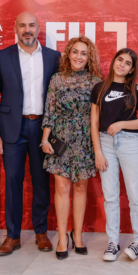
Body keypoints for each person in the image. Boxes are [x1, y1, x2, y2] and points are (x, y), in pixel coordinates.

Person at [0, 11, 61, 256]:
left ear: (38, 28)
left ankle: (41, 232)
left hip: (42, 129)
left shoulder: (54, 57)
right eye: (22, 26)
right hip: (12, 129)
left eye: (31, 25)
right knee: (13, 182)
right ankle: (13, 236)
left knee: (41, 182)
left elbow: (70, 86)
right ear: (15, 29)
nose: (27, 30)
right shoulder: (1, 57)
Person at [41, 35, 102, 260]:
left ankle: (77, 236)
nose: (79, 56)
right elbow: (50, 111)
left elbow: (107, 108)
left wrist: (136, 91)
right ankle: (62, 238)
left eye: (83, 53)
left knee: (80, 188)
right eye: (75, 51)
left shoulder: (96, 81)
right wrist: (45, 139)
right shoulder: (57, 80)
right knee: (61, 188)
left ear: (89, 58)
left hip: (85, 139)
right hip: (61, 138)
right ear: (68, 54)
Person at [90, 48, 138, 262]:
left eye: (127, 63)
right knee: (110, 196)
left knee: (136, 196)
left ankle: (137, 240)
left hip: (129, 143)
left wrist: (122, 124)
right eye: (120, 60)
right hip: (105, 144)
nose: (122, 65)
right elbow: (93, 123)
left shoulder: (134, 89)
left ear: (131, 69)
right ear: (114, 61)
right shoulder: (99, 88)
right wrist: (97, 151)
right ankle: (113, 242)